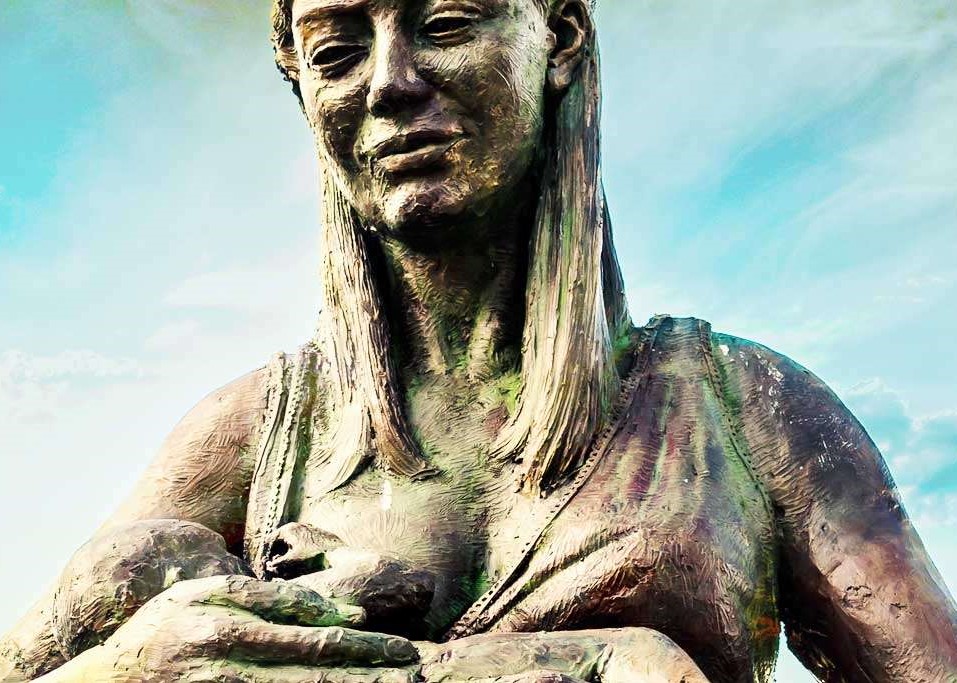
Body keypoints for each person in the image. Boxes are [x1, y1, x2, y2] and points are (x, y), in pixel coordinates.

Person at [2, 0, 956, 680]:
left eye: (446, 24)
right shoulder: (251, 434)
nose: (389, 82)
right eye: (335, 51)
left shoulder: (745, 409)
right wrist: (128, 668)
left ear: (559, 37)